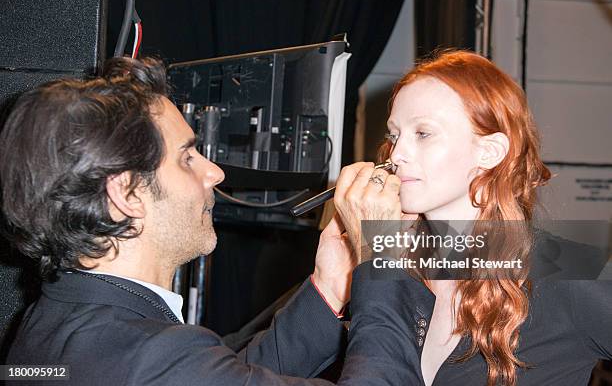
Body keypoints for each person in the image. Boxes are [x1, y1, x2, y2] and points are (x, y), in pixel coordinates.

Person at [0, 57, 430, 385]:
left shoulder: (56, 322)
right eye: (187, 158)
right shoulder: (149, 357)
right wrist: (383, 254)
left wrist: (330, 285)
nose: (214, 173)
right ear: (127, 194)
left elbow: (232, 374)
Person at [333, 51, 612, 386]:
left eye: (423, 133)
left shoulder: (567, 266)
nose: (396, 154)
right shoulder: (392, 262)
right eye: (394, 135)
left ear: (489, 152)